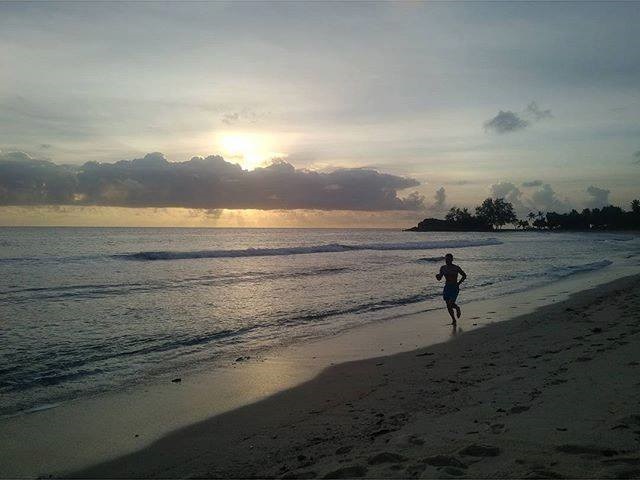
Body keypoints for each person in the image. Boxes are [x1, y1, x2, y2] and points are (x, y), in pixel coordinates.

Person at [436, 253, 467, 325]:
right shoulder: (443, 268)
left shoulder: (456, 268)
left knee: (450, 303)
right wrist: (437, 276)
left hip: (454, 287)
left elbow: (464, 275)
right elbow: (439, 278)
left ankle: (457, 308)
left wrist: (459, 283)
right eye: (446, 259)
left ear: (452, 259)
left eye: (449, 259)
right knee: (448, 305)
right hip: (447, 287)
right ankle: (453, 319)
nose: (447, 261)